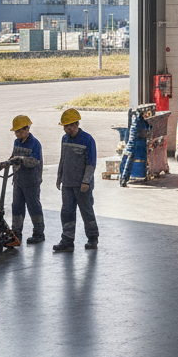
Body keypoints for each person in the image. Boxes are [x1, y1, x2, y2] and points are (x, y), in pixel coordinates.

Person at [53, 108, 99, 252]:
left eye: (69, 126)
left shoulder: (87, 139)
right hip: (67, 183)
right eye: (65, 126)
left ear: (77, 124)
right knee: (66, 212)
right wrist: (59, 177)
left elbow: (91, 163)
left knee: (86, 212)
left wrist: (86, 181)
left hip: (81, 185)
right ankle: (67, 240)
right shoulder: (64, 139)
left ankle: (92, 238)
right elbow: (63, 159)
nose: (67, 129)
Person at [9, 113, 44, 244]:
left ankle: (39, 233)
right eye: (15, 131)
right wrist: (6, 163)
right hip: (18, 181)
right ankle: (16, 233)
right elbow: (13, 156)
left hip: (31, 182)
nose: (16, 134)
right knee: (17, 207)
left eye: (18, 131)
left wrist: (21, 159)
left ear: (27, 129)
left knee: (33, 207)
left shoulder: (35, 144)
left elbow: (34, 161)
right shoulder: (17, 142)